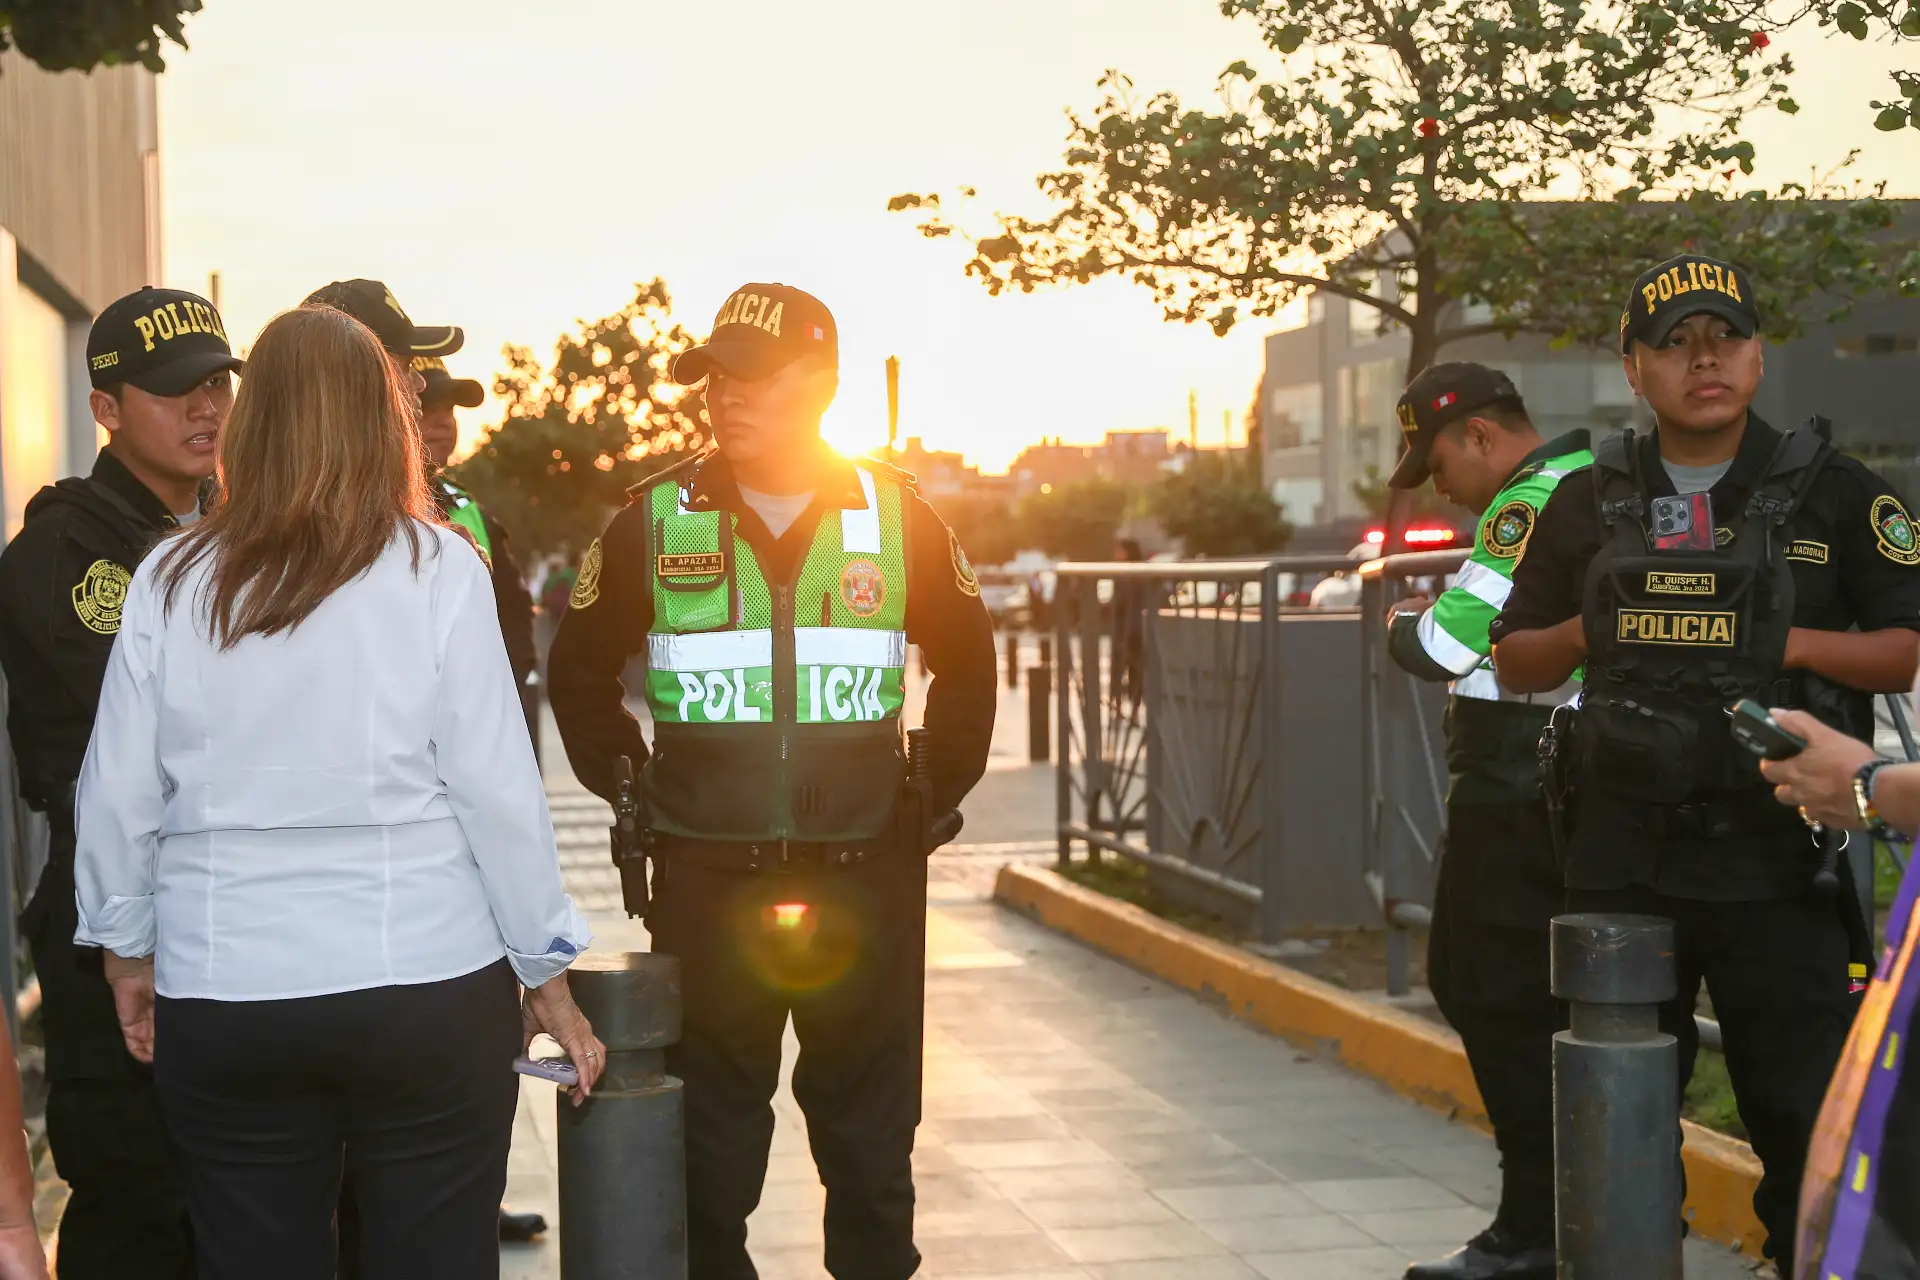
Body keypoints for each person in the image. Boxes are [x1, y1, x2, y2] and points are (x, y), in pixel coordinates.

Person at [69, 304, 605, 1280]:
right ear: (382, 420)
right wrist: (546, 969)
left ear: (254, 420)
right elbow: (497, 790)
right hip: (427, 991)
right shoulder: (439, 566)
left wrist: (123, 948)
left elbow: (115, 794)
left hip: (230, 991)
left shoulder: (169, 581)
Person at [547, 281, 998, 1279]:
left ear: (821, 385)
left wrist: (925, 798)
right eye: (712, 377)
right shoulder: (654, 519)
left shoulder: (898, 514)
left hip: (865, 876)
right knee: (708, 1157)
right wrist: (634, 788)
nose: (723, 396)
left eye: (748, 376)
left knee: (873, 1152)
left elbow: (970, 660)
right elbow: (576, 673)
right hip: (709, 880)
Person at [1490, 253, 1920, 1274]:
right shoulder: (1586, 497)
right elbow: (1513, 662)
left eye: (1723, 338)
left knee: (1803, 1112)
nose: (1703, 361)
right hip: (1620, 854)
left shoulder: (1837, 491)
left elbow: (1906, 642)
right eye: (1674, 344)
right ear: (1633, 369)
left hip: (1786, 858)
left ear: (1759, 355)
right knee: (1610, 1114)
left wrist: (1792, 647)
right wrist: (1591, 628)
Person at [0, 285, 240, 1279]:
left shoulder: (244, 523)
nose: (206, 407)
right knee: (136, 1187)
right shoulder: (64, 549)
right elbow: (157, 729)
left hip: (235, 895)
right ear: (106, 407)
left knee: (240, 1184)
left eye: (218, 382)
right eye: (175, 388)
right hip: (112, 904)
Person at [301, 286, 548, 1248]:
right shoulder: (240, 520)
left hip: (446, 870)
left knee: (436, 1142)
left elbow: (509, 671)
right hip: (331, 896)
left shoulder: (463, 525)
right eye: (410, 379)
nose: (426, 408)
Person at [1382, 363, 1592, 1280]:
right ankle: (1563, 1210)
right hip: (1549, 787)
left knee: (1486, 987)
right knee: (1519, 995)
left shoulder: (1529, 498)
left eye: (1435, 465)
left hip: (1517, 792)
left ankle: (1533, 1228)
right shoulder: (1579, 483)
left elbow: (1447, 641)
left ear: (1476, 435)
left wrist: (1395, 618)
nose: (1441, 489)